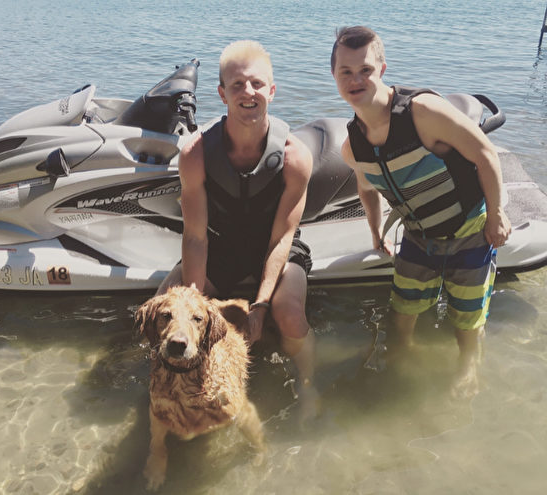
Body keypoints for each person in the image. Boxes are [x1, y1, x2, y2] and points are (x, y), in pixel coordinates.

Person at [331, 26, 511, 398]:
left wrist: (495, 215)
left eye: (365, 69)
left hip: (469, 228)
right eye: (345, 71)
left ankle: (468, 366)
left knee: (468, 315)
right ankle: (402, 361)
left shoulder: (422, 112)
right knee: (402, 310)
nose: (355, 80)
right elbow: (366, 189)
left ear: (382, 69)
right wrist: (375, 233)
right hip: (418, 235)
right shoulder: (353, 146)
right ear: (334, 76)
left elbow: (485, 154)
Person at [157, 40, 320, 422]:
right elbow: (195, 237)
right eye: (237, 85)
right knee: (163, 306)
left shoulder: (295, 157)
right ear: (222, 94)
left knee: (288, 314)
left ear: (272, 91)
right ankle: (173, 390)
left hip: (276, 249)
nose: (248, 92)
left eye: (257, 84)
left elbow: (283, 237)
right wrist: (194, 309)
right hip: (220, 247)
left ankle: (309, 387)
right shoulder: (195, 154)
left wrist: (260, 306)